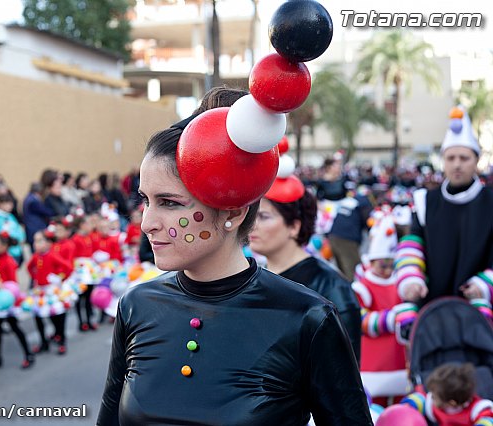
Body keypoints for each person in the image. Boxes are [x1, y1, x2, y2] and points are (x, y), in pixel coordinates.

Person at [98, 91, 370, 423]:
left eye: (169, 203)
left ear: (233, 211)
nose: (148, 223)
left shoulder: (306, 318)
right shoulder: (136, 305)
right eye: (145, 200)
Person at [248, 161, 362, 361]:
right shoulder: (253, 279)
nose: (252, 226)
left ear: (294, 226)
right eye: (252, 216)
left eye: (264, 217)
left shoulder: (332, 287)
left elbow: (343, 371)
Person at [397, 107, 493, 306]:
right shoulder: (425, 201)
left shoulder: (490, 201)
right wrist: (412, 278)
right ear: (443, 162)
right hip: (433, 309)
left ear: (476, 161)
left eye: (464, 158)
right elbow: (412, 244)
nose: (457, 164)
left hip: (480, 310)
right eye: (451, 158)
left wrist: (485, 284)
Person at [352, 210, 411, 405]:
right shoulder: (362, 287)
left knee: (399, 399)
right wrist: (391, 318)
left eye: (390, 266)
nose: (387, 271)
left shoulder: (400, 284)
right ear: (371, 262)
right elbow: (358, 319)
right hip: (373, 360)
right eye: (382, 266)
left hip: (397, 356)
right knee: (373, 402)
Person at [0, 231, 34, 370]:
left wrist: (4, 288)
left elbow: (13, 283)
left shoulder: (9, 261)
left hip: (7, 301)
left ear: (4, 246)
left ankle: (28, 354)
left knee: (15, 327)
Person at [401, 363, 493, 425]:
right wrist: (410, 405)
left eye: (434, 396)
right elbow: (421, 399)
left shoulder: (477, 408)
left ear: (451, 403)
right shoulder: (434, 404)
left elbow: (488, 420)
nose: (431, 397)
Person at [27, 230, 71, 355]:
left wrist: (60, 278)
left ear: (48, 243)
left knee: (57, 314)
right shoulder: (35, 256)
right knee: (38, 316)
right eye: (35, 241)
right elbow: (29, 267)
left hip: (52, 290)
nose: (36, 244)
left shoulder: (52, 255)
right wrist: (35, 277)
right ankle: (43, 342)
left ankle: (61, 340)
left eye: (40, 241)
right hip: (40, 291)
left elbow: (68, 266)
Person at [0, 194, 26, 267]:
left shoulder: (10, 216)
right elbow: (0, 233)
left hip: (17, 248)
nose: (10, 206)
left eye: (11, 204)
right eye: (7, 203)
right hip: (6, 250)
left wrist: (21, 238)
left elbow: (18, 229)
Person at [22, 182, 53, 249]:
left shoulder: (28, 198)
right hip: (35, 229)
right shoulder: (33, 201)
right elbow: (46, 212)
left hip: (32, 228)